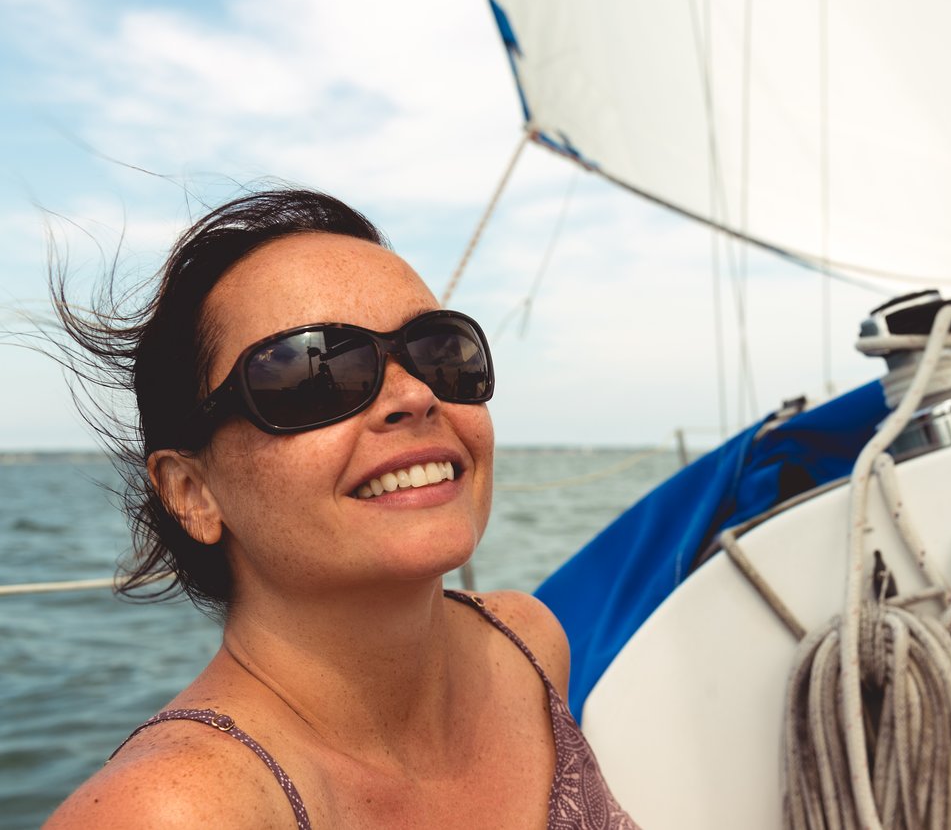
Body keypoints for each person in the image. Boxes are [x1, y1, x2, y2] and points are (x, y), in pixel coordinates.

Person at [45, 188, 638, 829]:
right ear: (192, 492)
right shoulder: (176, 812)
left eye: (441, 351)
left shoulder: (527, 643)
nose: (413, 395)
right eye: (311, 374)